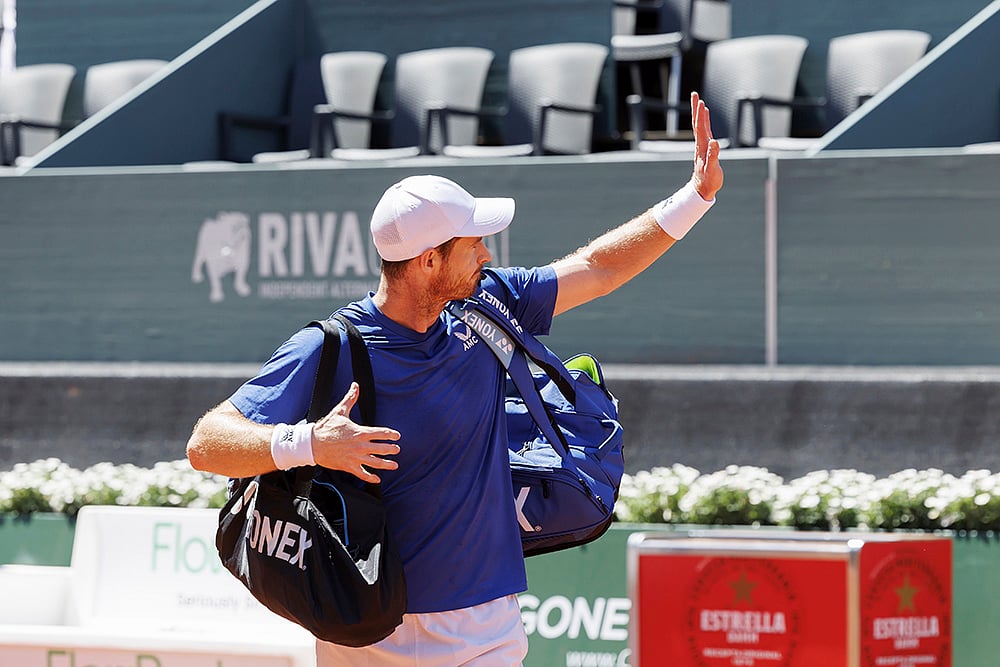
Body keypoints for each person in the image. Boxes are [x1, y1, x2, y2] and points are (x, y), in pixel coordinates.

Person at [186, 91, 724, 666]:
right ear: (427, 262)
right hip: (366, 630)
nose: (486, 255)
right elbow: (205, 444)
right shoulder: (329, 345)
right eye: (472, 245)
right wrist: (309, 444)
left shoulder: (486, 303)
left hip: (484, 626)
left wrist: (695, 197)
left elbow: (598, 267)